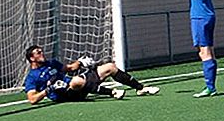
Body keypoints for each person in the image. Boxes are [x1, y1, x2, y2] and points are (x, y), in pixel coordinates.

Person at [150, 0, 218, 97]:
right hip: (208, 16)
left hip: (200, 18)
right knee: (209, 51)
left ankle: (210, 87)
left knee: (204, 52)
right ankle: (211, 86)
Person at [23, 45, 160, 104]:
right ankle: (112, 92)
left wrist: (81, 62)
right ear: (32, 58)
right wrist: (48, 90)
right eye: (38, 53)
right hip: (66, 95)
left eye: (41, 51)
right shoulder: (31, 77)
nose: (42, 54)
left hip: (77, 85)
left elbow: (70, 68)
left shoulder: (51, 63)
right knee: (76, 81)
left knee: (109, 67)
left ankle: (140, 88)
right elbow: (32, 99)